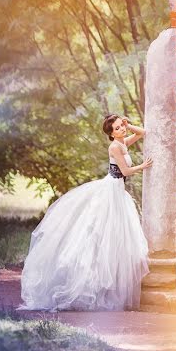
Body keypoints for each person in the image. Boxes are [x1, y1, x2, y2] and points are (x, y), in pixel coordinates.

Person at [18, 114, 153, 312]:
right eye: (117, 128)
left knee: (116, 234)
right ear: (111, 134)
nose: (121, 130)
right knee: (99, 232)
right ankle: (91, 282)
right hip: (112, 189)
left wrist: (127, 123)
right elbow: (124, 171)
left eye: (121, 127)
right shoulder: (114, 146)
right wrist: (143, 166)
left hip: (118, 191)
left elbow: (143, 133)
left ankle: (111, 281)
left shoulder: (123, 142)